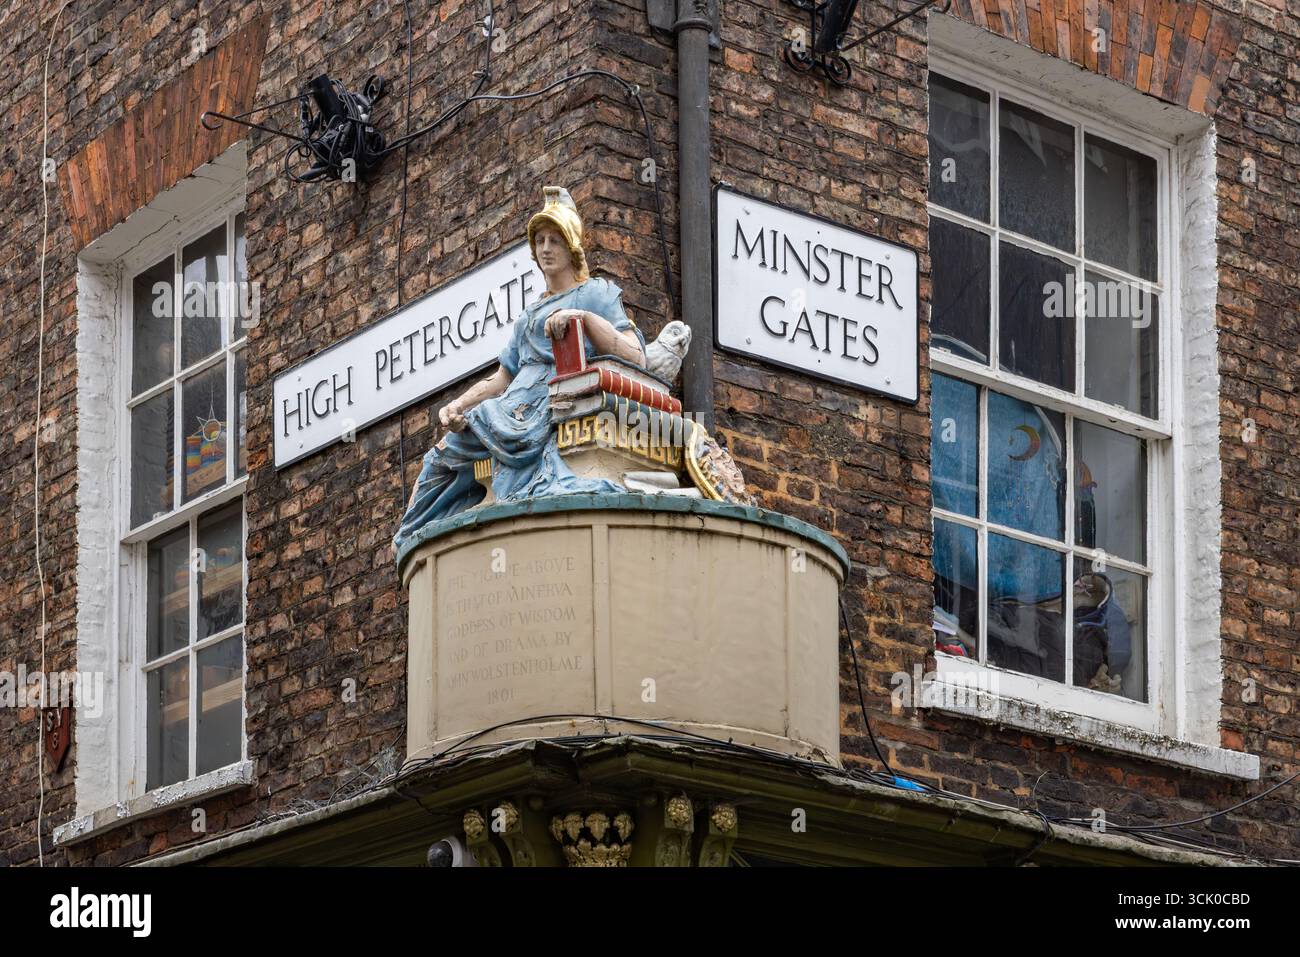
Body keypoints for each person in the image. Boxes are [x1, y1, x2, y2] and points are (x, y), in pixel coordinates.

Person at [393, 187, 647, 554]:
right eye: (540, 241)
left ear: (571, 245)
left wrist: (584, 319)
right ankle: (414, 545)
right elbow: (501, 377)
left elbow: (636, 356)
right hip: (510, 402)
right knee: (439, 456)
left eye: (555, 240)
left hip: (550, 399)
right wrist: (458, 405)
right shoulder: (527, 316)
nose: (545, 249)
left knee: (487, 427)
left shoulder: (594, 294)